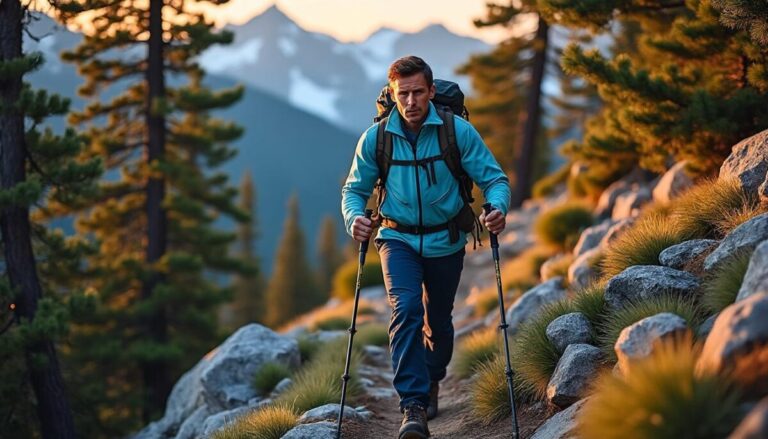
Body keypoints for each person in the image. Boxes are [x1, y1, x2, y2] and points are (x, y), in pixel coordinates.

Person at [341, 55, 510, 439]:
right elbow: (354, 190)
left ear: (432, 92)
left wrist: (498, 208)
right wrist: (356, 219)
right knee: (406, 308)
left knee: (440, 321)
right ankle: (412, 407)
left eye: (419, 92)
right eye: (404, 94)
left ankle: (433, 377)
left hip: (445, 239)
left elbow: (494, 179)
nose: (412, 101)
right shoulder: (377, 138)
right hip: (396, 238)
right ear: (393, 94)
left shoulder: (457, 132)